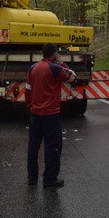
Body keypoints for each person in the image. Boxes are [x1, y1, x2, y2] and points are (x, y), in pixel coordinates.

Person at [25, 43, 76, 187]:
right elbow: (72, 77)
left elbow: (28, 90)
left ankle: (32, 178)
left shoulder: (33, 68)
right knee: (52, 146)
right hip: (50, 114)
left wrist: (31, 107)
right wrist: (61, 62)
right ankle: (50, 179)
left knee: (33, 147)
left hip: (35, 114)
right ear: (54, 54)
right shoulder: (55, 68)